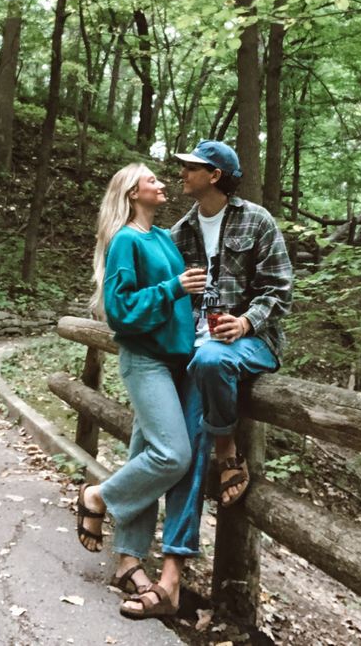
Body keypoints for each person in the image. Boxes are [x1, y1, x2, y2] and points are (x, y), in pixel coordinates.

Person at [120, 139, 293, 618]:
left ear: (214, 175)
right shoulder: (180, 231)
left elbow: (280, 288)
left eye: (190, 167)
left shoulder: (257, 220)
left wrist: (246, 323)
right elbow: (170, 296)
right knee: (180, 447)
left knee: (215, 362)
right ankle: (165, 576)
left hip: (251, 343)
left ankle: (226, 447)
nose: (180, 173)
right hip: (197, 351)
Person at [75, 163, 207, 620]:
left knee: (144, 457)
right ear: (132, 193)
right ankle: (97, 498)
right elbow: (120, 310)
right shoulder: (127, 240)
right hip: (146, 360)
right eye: (152, 180)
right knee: (173, 455)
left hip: (174, 363)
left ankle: (128, 561)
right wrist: (175, 287)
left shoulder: (165, 238)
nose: (162, 184)